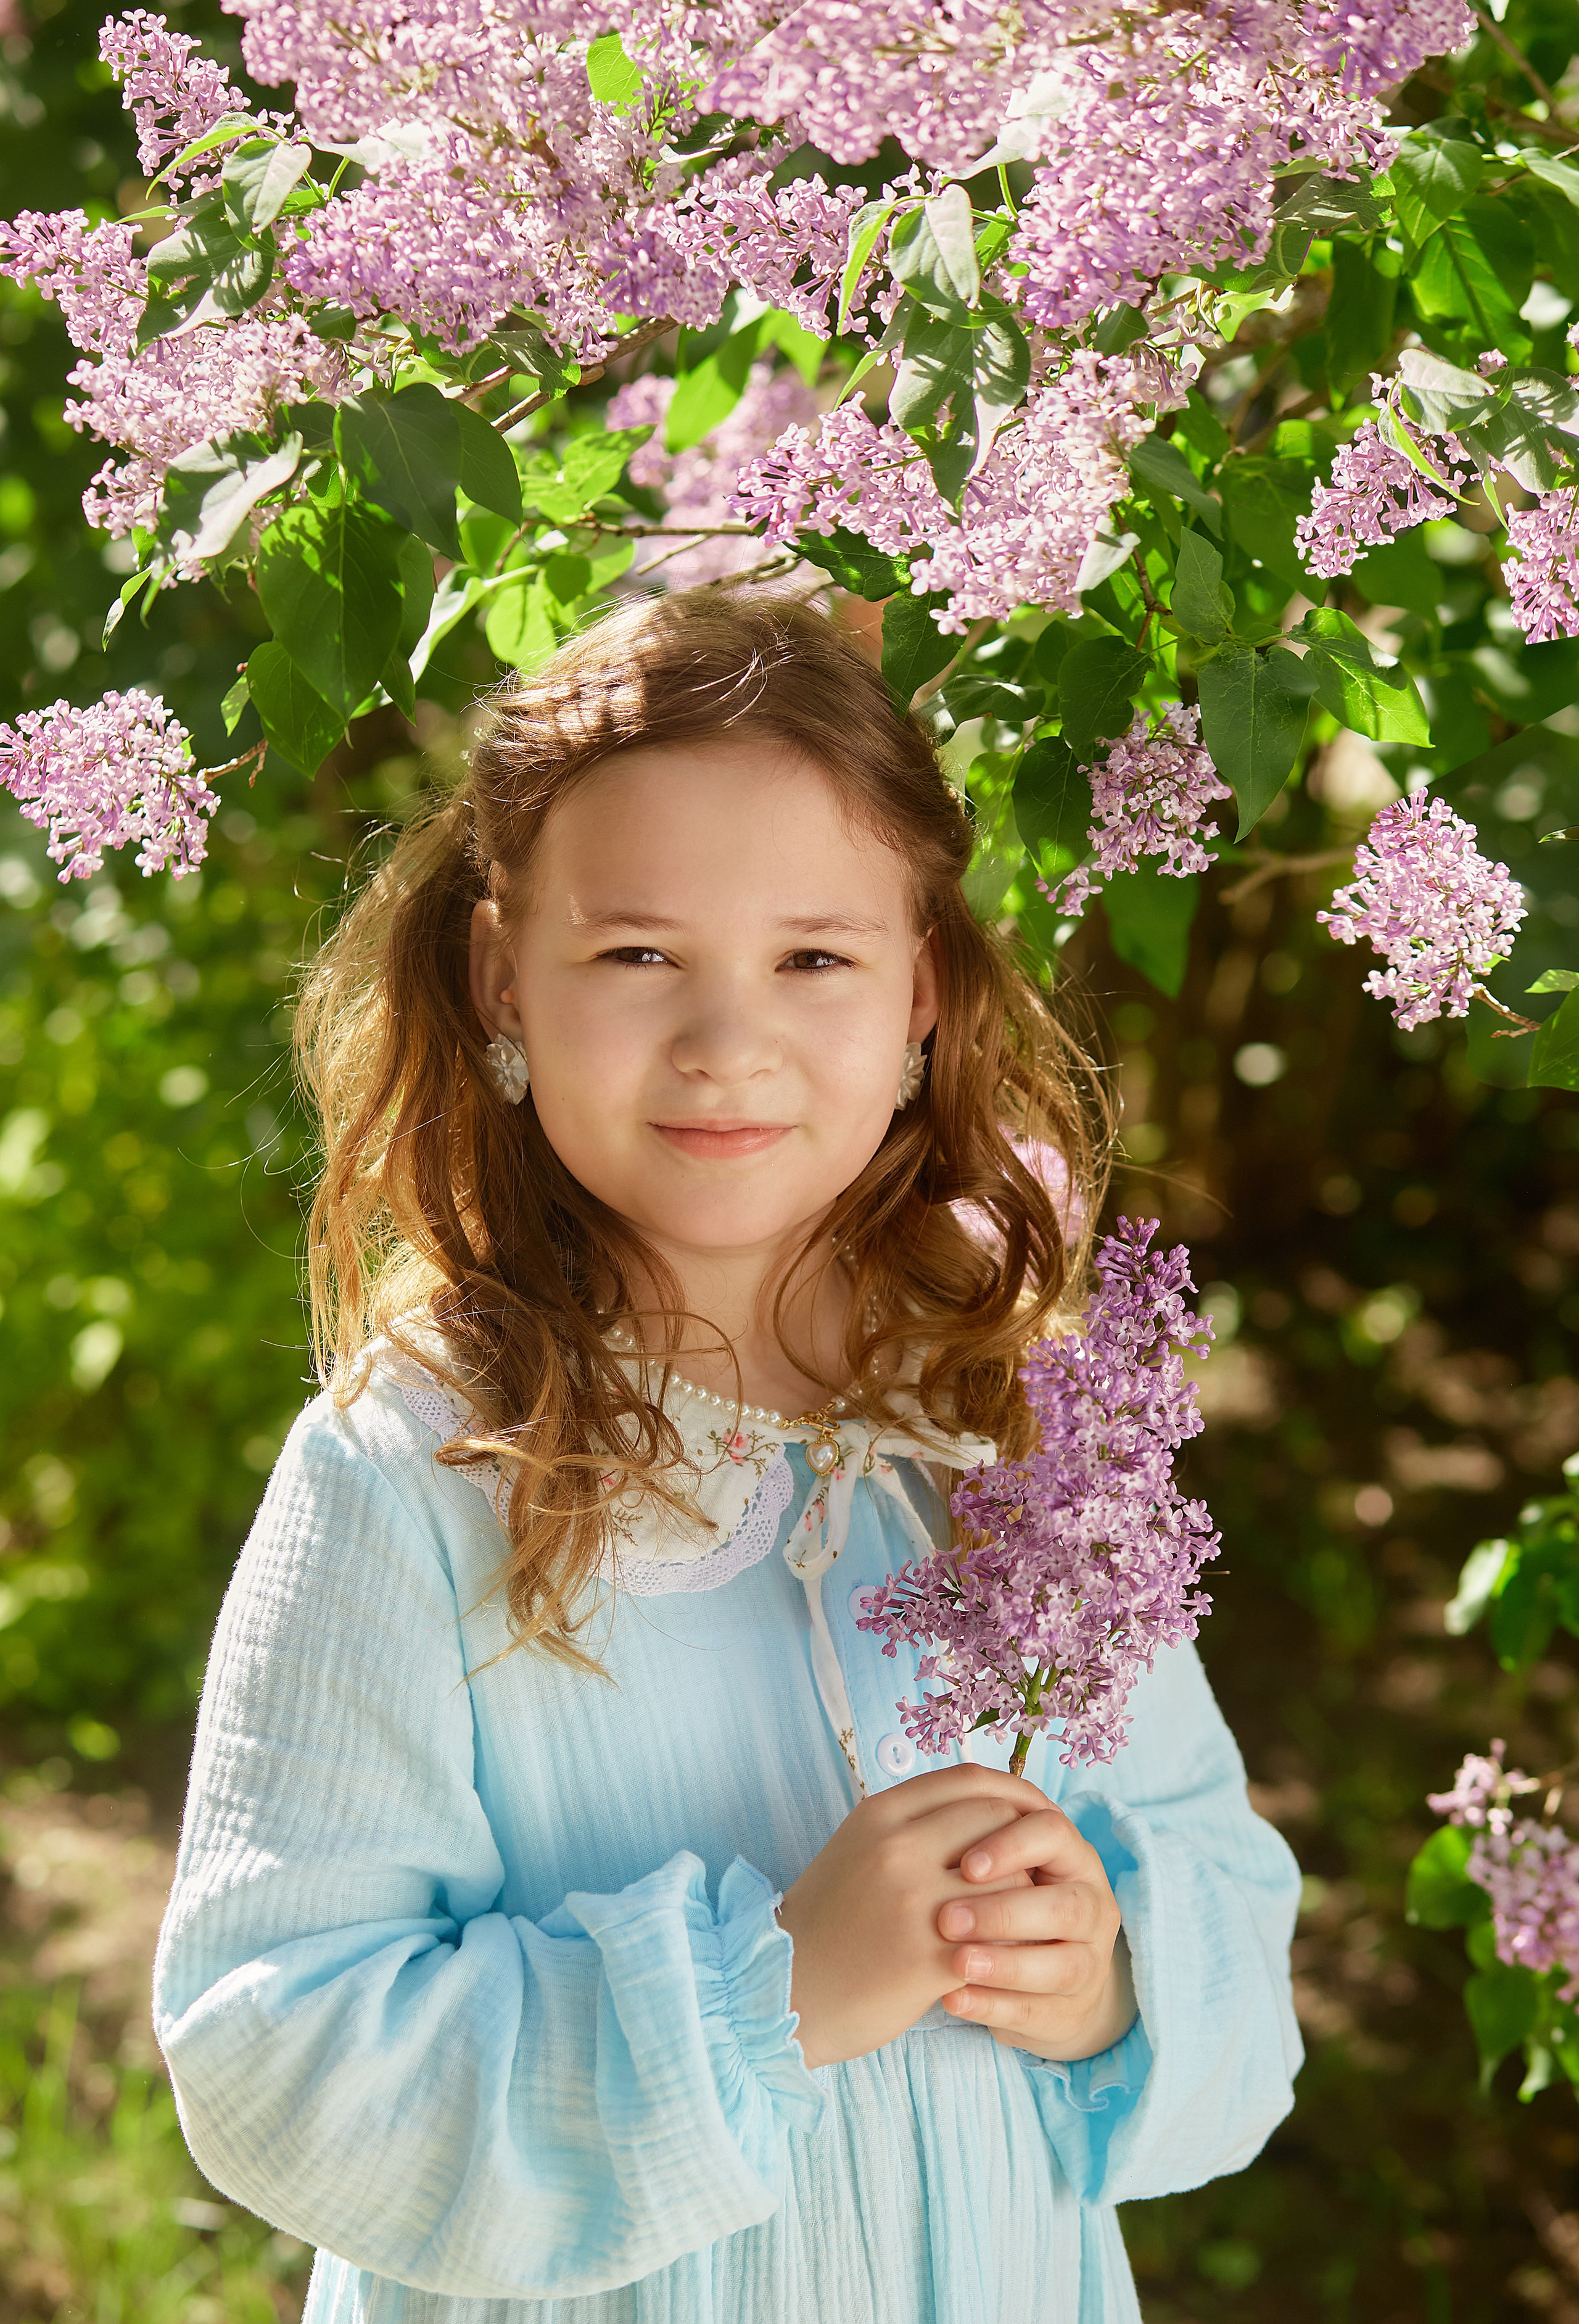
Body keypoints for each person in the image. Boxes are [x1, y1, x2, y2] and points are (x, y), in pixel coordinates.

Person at [153, 591, 1302, 2324]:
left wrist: (1113, 1980)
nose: (725, 1039)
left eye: (813, 958)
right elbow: (273, 2049)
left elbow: (1217, 1884)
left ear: (922, 993)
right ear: (499, 980)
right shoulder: (412, 1469)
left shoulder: (1015, 1435)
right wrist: (762, 1991)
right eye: (636, 956)